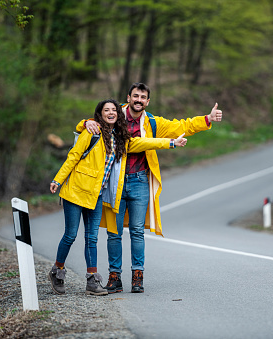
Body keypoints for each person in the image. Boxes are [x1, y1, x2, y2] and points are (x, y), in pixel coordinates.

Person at [75, 82, 222, 293]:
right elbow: (91, 122)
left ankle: (137, 276)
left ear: (147, 101)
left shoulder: (152, 122)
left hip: (140, 181)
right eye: (135, 96)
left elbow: (181, 126)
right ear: (128, 97)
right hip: (114, 181)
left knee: (137, 231)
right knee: (114, 232)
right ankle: (114, 277)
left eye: (143, 97)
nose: (138, 100)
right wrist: (85, 123)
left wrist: (207, 119)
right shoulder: (116, 115)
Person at [48, 98, 188, 296]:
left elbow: (143, 142)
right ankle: (57, 271)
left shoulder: (120, 139)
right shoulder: (91, 131)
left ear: (118, 114)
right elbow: (73, 155)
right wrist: (58, 179)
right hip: (76, 191)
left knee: (92, 238)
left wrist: (171, 142)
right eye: (107, 110)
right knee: (70, 235)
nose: (111, 113)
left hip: (96, 195)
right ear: (100, 114)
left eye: (114, 110)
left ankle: (92, 281)